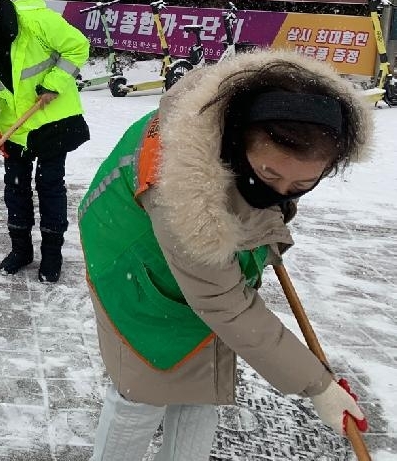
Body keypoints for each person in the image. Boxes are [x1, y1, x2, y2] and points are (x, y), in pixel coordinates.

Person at [78, 51, 371, 460]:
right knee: (144, 388)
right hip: (132, 260)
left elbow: (261, 208)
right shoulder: (182, 186)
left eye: (303, 183)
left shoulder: (253, 109)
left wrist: (267, 212)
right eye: (269, 175)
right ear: (238, 139)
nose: (282, 192)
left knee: (203, 382)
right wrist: (317, 385)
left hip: (184, 245)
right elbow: (222, 301)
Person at [0, 0, 90, 282]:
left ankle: (52, 255)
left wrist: (53, 84)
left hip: (50, 122)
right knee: (15, 189)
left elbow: (78, 47)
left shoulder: (36, 22)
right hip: (12, 130)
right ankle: (21, 250)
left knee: (50, 186)